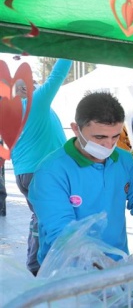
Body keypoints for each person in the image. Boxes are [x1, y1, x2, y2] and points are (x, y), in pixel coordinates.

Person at [29, 92, 133, 265]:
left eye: (115, 137)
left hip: (118, 265)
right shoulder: (50, 172)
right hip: (66, 273)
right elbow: (62, 234)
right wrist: (104, 266)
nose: (108, 145)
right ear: (76, 129)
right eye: (100, 137)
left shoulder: (124, 160)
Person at [11, 58, 71, 275]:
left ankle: (39, 262)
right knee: (49, 218)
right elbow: (58, 74)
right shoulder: (37, 102)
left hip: (24, 174)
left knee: (40, 216)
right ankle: (39, 264)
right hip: (40, 172)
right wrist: (67, 50)